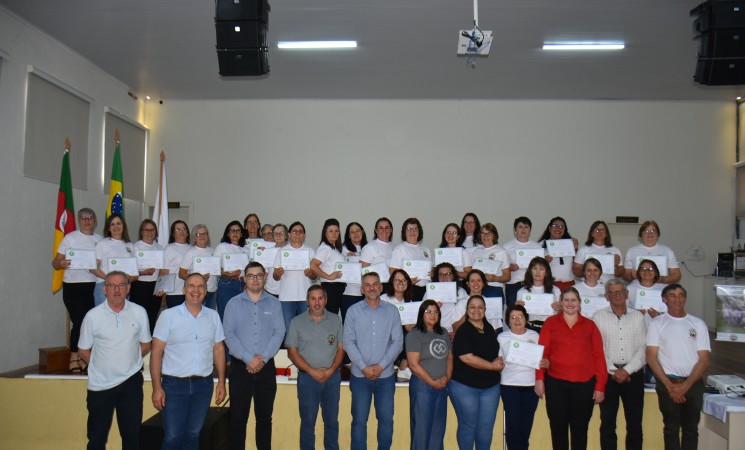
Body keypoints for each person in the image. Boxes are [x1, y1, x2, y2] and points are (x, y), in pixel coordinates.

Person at [150, 273, 227, 450]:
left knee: (193, 435)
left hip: (203, 385)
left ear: (206, 291)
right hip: (173, 385)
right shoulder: (168, 316)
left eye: (201, 286)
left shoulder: (213, 316)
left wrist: (221, 382)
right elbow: (156, 352)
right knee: (172, 437)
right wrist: (157, 387)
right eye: (191, 286)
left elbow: (219, 349)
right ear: (184, 290)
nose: (196, 290)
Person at [78, 271, 152, 450]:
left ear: (128, 288)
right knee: (96, 439)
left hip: (131, 383)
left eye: (121, 285)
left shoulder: (139, 312)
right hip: (100, 386)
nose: (116, 290)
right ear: (104, 289)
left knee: (132, 438)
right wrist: (101, 366)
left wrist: (129, 361)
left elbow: (146, 344)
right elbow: (83, 350)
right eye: (112, 285)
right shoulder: (93, 316)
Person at [224, 261, 286, 450]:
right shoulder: (233, 304)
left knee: (264, 419)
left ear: (265, 277)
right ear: (244, 278)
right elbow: (228, 335)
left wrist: (263, 358)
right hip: (240, 369)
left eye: (259, 275)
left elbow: (279, 332)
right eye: (251, 275)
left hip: (266, 369)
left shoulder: (275, 304)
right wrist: (248, 358)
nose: (255, 279)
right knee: (237, 419)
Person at [535, 287, 607, 450]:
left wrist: (600, 386)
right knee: (558, 428)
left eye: (573, 300)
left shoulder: (590, 326)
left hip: (584, 385)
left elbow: (599, 357)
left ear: (579, 303)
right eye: (566, 300)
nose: (570, 303)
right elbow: (541, 353)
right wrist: (539, 378)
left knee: (580, 430)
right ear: (560, 303)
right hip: (556, 384)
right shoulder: (550, 323)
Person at [343, 271, 404, 450]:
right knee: (359, 422)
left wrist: (380, 366)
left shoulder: (392, 311)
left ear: (381, 287)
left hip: (385, 377)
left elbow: (398, 342)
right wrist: (363, 367)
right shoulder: (353, 312)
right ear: (362, 289)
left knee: (386, 422)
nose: (372, 288)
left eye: (375, 284)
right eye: (368, 285)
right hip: (360, 377)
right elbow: (348, 342)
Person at [646, 284, 711, 450]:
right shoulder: (657, 323)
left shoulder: (698, 324)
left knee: (691, 430)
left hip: (693, 384)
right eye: (673, 295)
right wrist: (671, 387)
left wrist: (685, 386)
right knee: (671, 429)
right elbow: (651, 357)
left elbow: (704, 360)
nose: (678, 299)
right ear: (664, 299)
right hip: (667, 384)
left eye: (681, 295)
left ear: (685, 298)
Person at [286, 285, 345, 450]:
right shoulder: (296, 322)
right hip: (307, 380)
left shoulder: (336, 320)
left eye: (320, 298)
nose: (317, 303)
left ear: (326, 300)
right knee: (307, 423)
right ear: (307, 301)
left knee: (332, 422)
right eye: (313, 299)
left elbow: (341, 348)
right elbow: (292, 353)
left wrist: (331, 370)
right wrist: (313, 372)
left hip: (332, 379)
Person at [592, 278, 647, 450]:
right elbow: (597, 349)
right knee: (607, 424)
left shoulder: (638, 317)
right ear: (606, 296)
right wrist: (615, 371)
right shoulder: (598, 317)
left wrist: (627, 371)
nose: (617, 295)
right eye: (612, 292)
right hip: (608, 376)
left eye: (620, 291)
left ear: (627, 293)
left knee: (635, 424)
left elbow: (643, 349)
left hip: (634, 376)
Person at [449, 295, 503, 450]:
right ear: (466, 310)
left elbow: (493, 353)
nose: (476, 310)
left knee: (486, 428)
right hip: (465, 386)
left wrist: (499, 360)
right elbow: (468, 358)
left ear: (485, 310)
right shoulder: (463, 331)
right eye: (472, 307)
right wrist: (492, 367)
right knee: (468, 425)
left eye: (480, 307)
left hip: (490, 387)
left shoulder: (490, 329)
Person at [52, 207, 102, 373]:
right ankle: (74, 356)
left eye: (90, 217)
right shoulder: (70, 238)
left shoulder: (99, 240)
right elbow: (55, 262)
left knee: (90, 323)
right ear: (79, 221)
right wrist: (61, 263)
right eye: (83, 217)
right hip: (73, 286)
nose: (87, 220)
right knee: (79, 321)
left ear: (94, 221)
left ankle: (83, 356)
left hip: (93, 286)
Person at [498, 304, 549, 450]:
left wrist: (545, 363)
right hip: (509, 385)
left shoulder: (535, 335)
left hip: (531, 386)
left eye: (520, 317)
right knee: (513, 424)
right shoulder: (502, 337)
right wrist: (497, 362)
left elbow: (543, 359)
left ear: (526, 319)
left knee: (526, 425)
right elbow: (498, 359)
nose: (517, 320)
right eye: (513, 317)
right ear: (508, 320)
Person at [405, 300, 452, 450]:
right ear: (421, 314)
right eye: (428, 312)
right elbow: (413, 364)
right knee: (421, 432)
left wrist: (447, 377)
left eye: (436, 312)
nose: (433, 315)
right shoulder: (415, 334)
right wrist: (432, 382)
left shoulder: (443, 332)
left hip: (442, 386)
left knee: (437, 432)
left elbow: (450, 357)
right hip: (423, 387)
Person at [273, 221, 317, 331]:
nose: (297, 234)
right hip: (286, 297)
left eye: (300, 232)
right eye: (294, 231)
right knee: (289, 329)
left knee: (307, 328)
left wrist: (311, 273)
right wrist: (278, 273)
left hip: (305, 297)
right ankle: (290, 349)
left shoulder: (310, 251)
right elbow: (275, 276)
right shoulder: (282, 252)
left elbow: (315, 276)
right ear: (289, 234)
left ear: (304, 235)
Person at [91, 213, 134, 306]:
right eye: (112, 224)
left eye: (118, 223)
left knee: (122, 317)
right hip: (105, 285)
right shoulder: (102, 244)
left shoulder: (129, 245)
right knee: (103, 318)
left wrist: (132, 277)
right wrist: (109, 279)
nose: (116, 227)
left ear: (123, 226)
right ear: (108, 228)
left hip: (123, 287)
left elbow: (133, 269)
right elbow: (92, 267)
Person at [130, 219, 163, 333]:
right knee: (139, 318)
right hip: (140, 286)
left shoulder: (159, 248)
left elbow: (162, 271)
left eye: (152, 230)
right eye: (146, 230)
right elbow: (130, 272)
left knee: (152, 317)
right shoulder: (136, 247)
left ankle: (150, 347)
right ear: (141, 232)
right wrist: (144, 272)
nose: (149, 232)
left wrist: (162, 287)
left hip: (155, 286)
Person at [503, 217, 542, 307]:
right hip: (513, 285)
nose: (523, 230)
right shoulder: (507, 247)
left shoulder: (537, 247)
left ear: (530, 230)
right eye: (520, 227)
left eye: (526, 227)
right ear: (515, 230)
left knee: (530, 312)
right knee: (513, 312)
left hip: (532, 285)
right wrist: (509, 268)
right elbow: (502, 268)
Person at [390, 218, 432, 301]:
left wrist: (433, 272)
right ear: (404, 232)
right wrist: (407, 281)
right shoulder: (400, 249)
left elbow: (431, 269)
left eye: (415, 229)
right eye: (409, 229)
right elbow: (393, 270)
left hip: (427, 289)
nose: (412, 232)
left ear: (419, 232)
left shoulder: (426, 250)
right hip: (409, 289)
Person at [214, 220, 247, 322]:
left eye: (238, 231)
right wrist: (229, 274)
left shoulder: (246, 249)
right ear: (228, 233)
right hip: (228, 284)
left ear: (241, 234)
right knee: (226, 316)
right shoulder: (222, 247)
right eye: (233, 231)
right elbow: (214, 267)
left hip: (243, 285)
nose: (235, 233)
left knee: (241, 318)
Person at [311, 218, 346, 314]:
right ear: (325, 233)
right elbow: (313, 265)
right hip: (330, 288)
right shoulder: (325, 248)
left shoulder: (334, 248)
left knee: (333, 317)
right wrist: (329, 276)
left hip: (337, 288)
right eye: (331, 231)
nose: (334, 233)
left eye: (336, 231)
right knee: (330, 318)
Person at [516, 256, 560, 331]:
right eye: (535, 268)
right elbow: (519, 316)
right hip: (529, 328)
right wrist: (517, 308)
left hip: (550, 327)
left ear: (546, 272)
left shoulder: (555, 290)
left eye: (541, 269)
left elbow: (561, 315)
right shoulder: (522, 292)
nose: (538, 272)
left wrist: (560, 308)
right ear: (530, 271)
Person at [179, 224, 217, 309]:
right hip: (198, 291)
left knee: (209, 317)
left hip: (212, 290)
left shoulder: (212, 251)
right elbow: (181, 273)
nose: (202, 236)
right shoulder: (190, 253)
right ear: (194, 237)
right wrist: (199, 279)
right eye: (199, 234)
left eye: (205, 234)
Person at [470, 222, 511, 299]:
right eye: (483, 234)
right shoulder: (476, 253)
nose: (485, 236)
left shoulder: (501, 251)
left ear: (494, 236)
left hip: (494, 289)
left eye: (489, 234)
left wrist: (495, 278)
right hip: (478, 289)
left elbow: (507, 276)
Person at [538, 216, 579, 292]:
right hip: (549, 285)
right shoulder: (540, 246)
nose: (558, 229)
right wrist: (544, 262)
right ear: (549, 228)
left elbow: (577, 266)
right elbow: (535, 267)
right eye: (555, 226)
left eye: (562, 227)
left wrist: (576, 250)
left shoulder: (570, 244)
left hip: (569, 285)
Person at [340, 221, 368, 321]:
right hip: (349, 293)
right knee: (349, 323)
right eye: (352, 232)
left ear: (363, 232)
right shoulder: (342, 250)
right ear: (348, 235)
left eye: (358, 231)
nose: (356, 234)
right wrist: (346, 260)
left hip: (366, 293)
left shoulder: (368, 248)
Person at [162, 220, 190, 308]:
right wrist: (163, 293)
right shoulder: (169, 249)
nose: (182, 231)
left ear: (187, 232)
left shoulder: (192, 248)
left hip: (190, 291)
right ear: (173, 233)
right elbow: (164, 273)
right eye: (178, 229)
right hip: (174, 292)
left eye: (184, 229)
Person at [264, 223, 287, 299]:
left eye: (281, 233)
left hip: (287, 291)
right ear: (273, 236)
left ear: (286, 235)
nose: (278, 235)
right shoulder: (267, 251)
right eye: (276, 234)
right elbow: (265, 272)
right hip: (270, 291)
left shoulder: (292, 251)